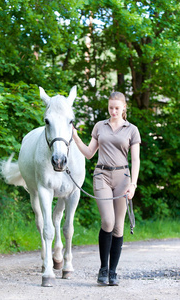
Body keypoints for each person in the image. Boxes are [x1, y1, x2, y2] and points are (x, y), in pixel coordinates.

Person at [72, 91, 141, 286]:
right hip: (101, 175)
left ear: (124, 108)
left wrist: (133, 184)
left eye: (117, 108)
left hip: (123, 178)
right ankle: (103, 268)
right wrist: (75, 137)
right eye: (111, 107)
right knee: (108, 221)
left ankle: (113, 272)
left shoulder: (132, 130)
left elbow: (135, 160)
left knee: (119, 226)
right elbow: (88, 153)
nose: (113, 111)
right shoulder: (99, 126)